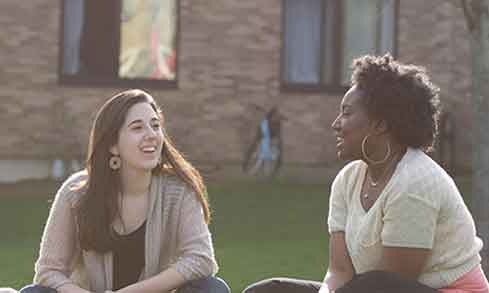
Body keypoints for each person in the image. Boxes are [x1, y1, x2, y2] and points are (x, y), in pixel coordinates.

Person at [242, 54, 489, 293]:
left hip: (439, 289)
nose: (336, 123)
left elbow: (390, 285)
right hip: (371, 287)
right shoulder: (347, 181)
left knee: (373, 284)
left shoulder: (415, 182)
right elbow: (339, 271)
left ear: (380, 124)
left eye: (347, 113)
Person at [20, 89, 230, 293]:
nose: (151, 135)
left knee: (212, 288)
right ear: (113, 145)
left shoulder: (179, 190)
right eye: (137, 128)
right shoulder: (76, 193)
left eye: (155, 126)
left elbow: (201, 258)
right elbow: (48, 272)